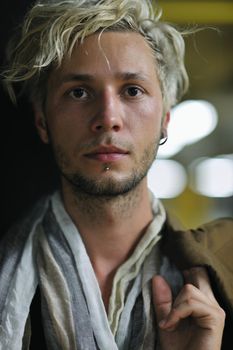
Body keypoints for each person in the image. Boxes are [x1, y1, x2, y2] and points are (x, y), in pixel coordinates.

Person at [0, 0, 233, 349]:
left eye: (132, 91)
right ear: (42, 121)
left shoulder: (225, 271)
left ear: (165, 119)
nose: (108, 117)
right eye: (78, 92)